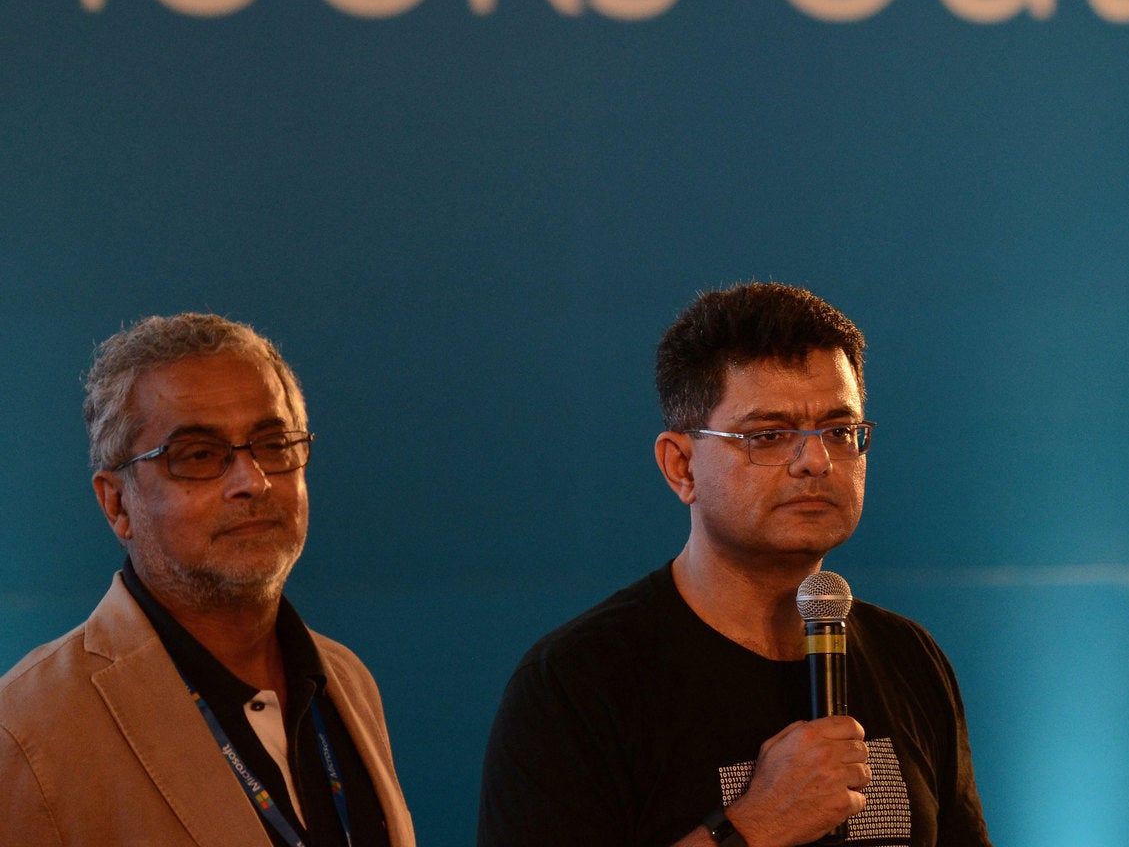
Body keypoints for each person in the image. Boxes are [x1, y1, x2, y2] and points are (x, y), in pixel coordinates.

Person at [478, 282, 992, 847]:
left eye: (841, 431)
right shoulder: (577, 684)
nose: (815, 461)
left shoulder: (909, 657)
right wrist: (754, 826)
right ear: (682, 467)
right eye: (768, 435)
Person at [0, 313, 414, 847]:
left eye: (272, 443)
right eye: (198, 456)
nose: (253, 481)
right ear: (116, 503)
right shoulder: (26, 731)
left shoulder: (346, 680)